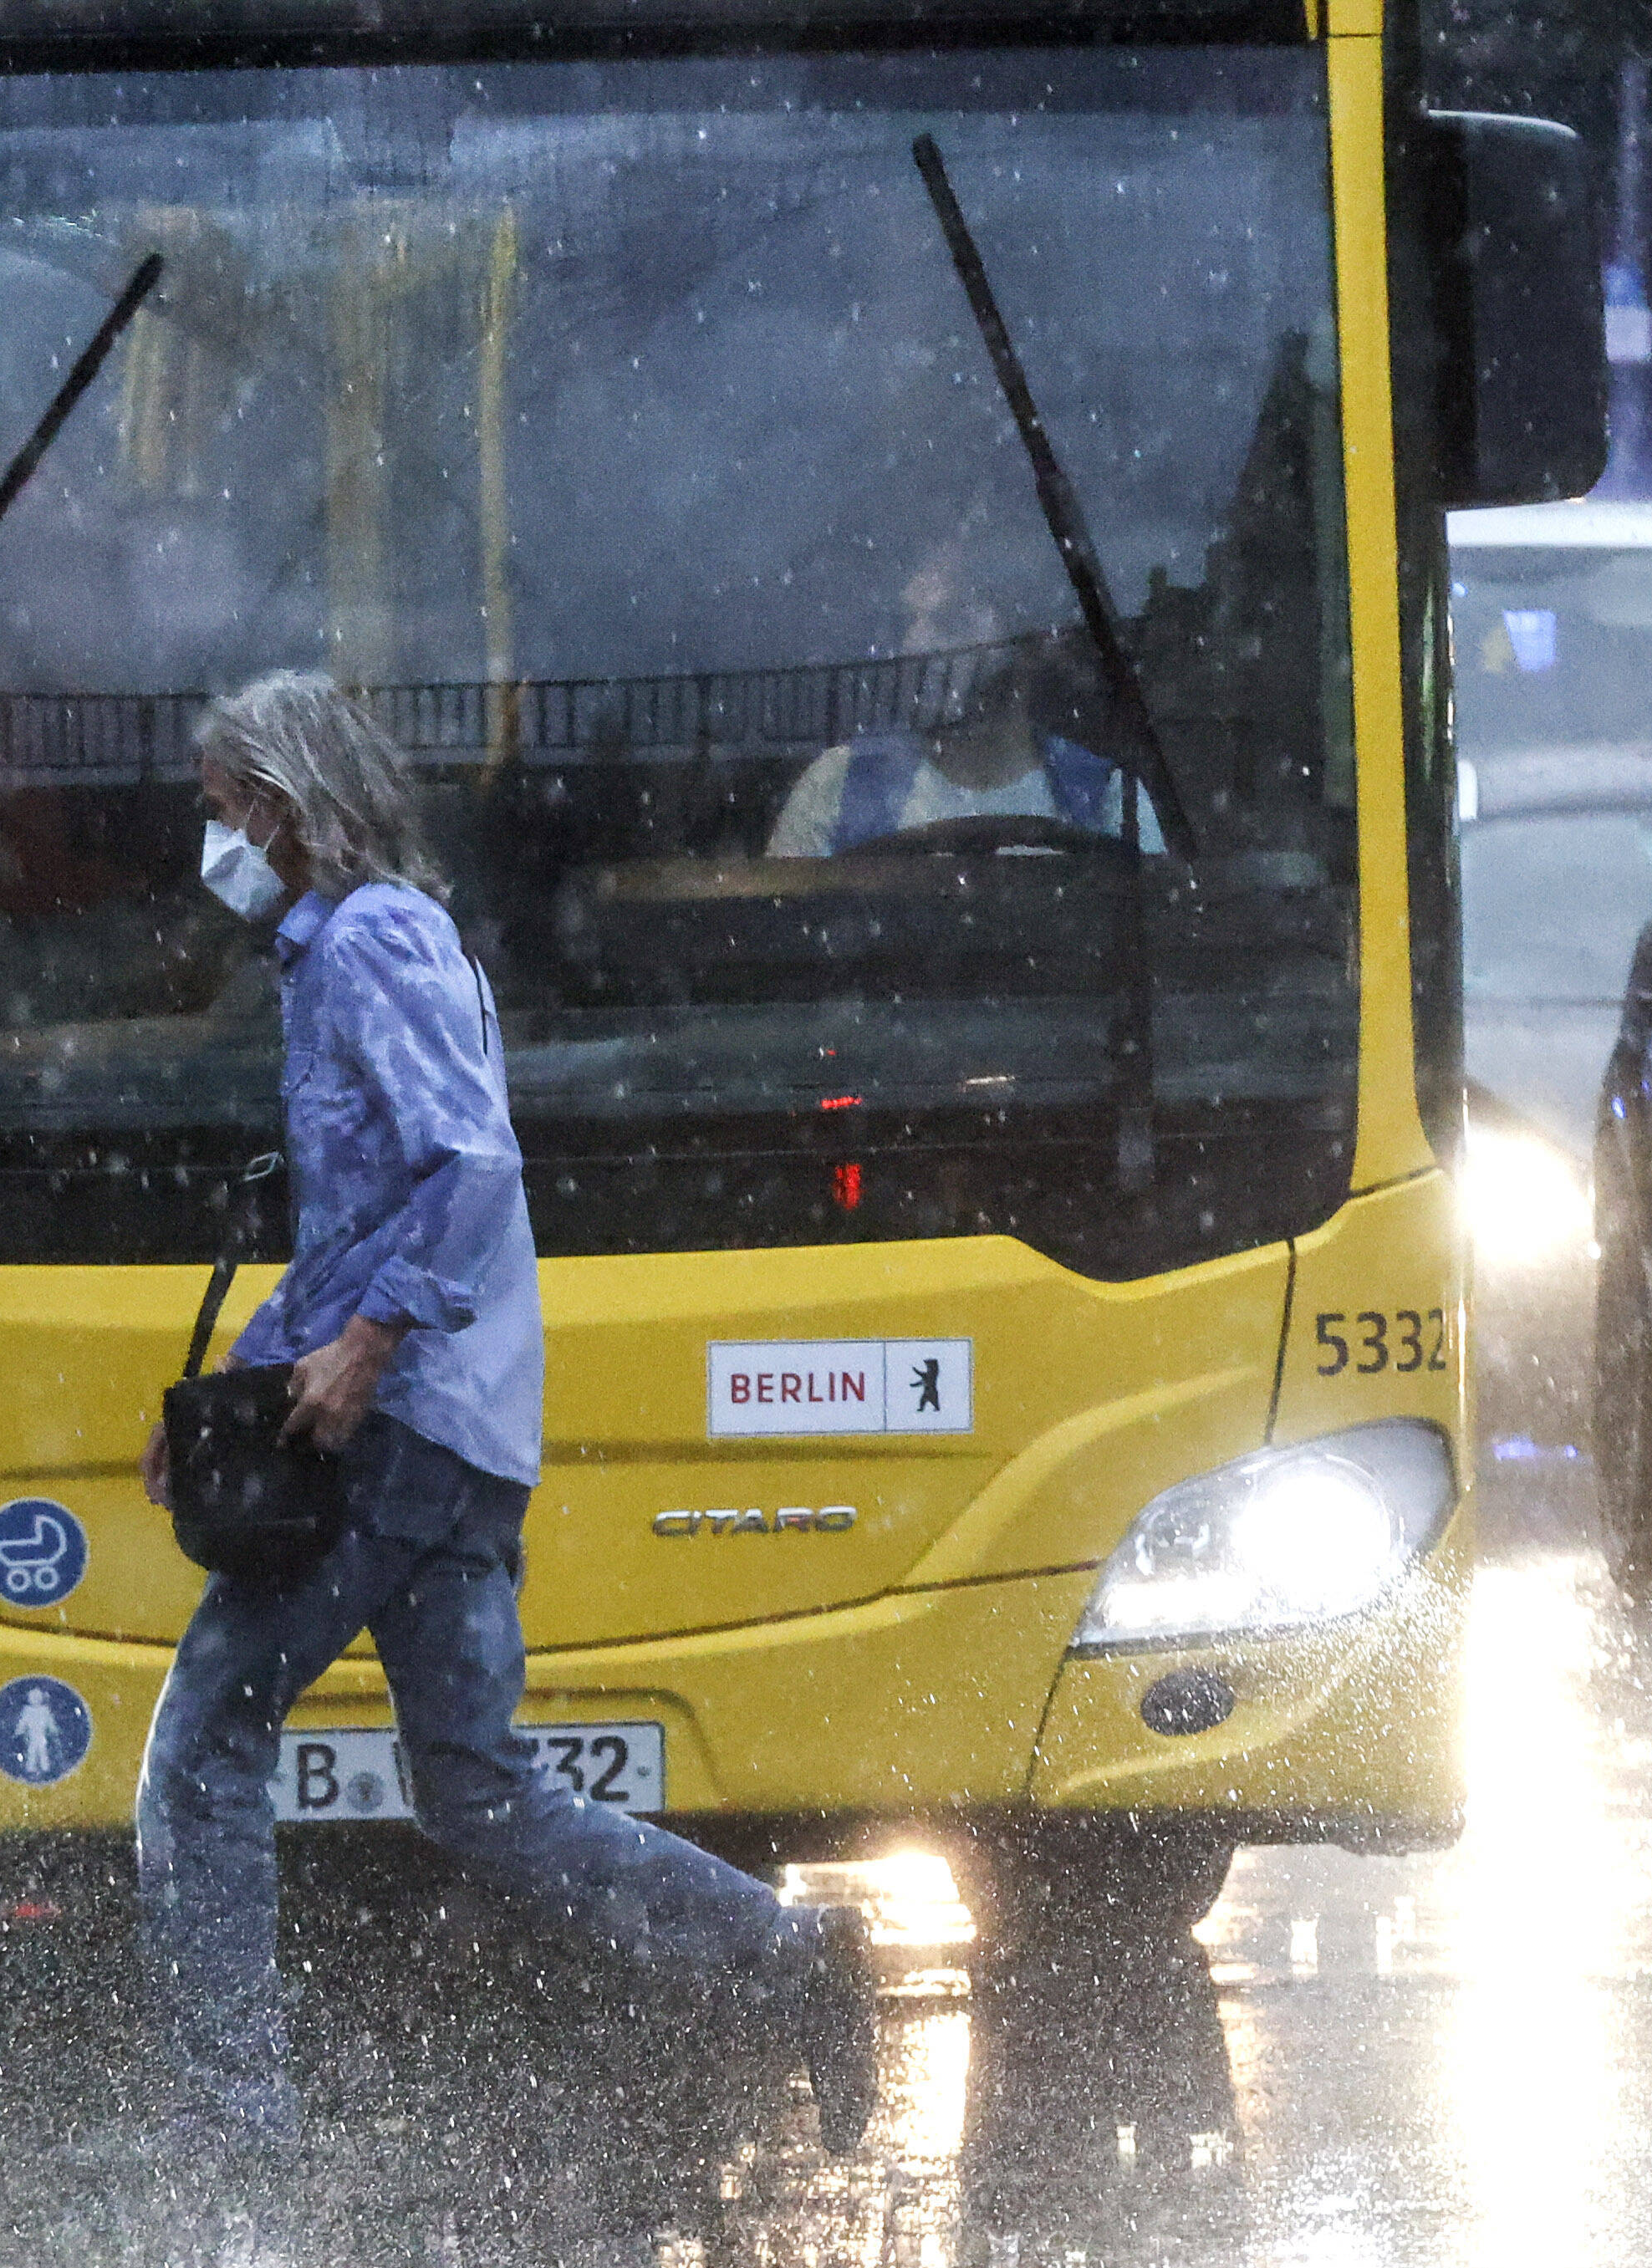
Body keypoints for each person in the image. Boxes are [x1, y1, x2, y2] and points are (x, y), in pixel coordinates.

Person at [135, 671, 881, 2158]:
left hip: (399, 1428)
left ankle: (227, 2125)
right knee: (476, 1791)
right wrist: (244, 1372)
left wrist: (355, 1350)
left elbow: (467, 1167)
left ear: (284, 806)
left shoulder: (369, 944)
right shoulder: (361, 949)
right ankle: (789, 1964)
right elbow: (369, 1213)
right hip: (454, 1432)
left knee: (203, 1748)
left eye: (223, 811)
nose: (210, 838)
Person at [767, 574, 1166, 859]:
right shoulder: (835, 788)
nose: (915, 645)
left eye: (949, 621)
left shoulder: (1114, 799)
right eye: (910, 622)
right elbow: (777, 952)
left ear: (1029, 646)